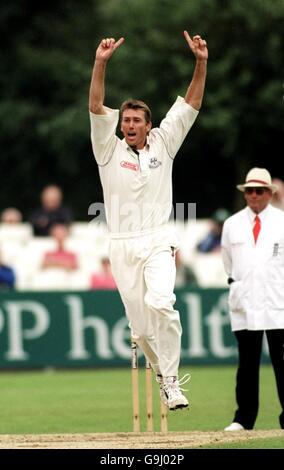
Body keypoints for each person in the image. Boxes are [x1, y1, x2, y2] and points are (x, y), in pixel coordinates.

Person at [89, 31, 208, 410]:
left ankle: (172, 382)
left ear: (148, 124)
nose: (129, 125)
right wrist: (100, 64)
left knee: (163, 302)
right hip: (122, 242)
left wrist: (201, 62)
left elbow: (191, 103)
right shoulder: (107, 148)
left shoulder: (164, 143)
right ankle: (162, 377)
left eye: (136, 120)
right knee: (140, 332)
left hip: (158, 237)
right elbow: (95, 107)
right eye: (125, 120)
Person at [221, 167, 284, 431]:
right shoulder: (232, 224)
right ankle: (243, 419)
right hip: (245, 301)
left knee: (282, 363)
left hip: (277, 300)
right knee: (247, 363)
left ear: (270, 194)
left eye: (259, 191)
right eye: (250, 191)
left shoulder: (282, 221)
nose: (254, 195)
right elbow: (228, 263)